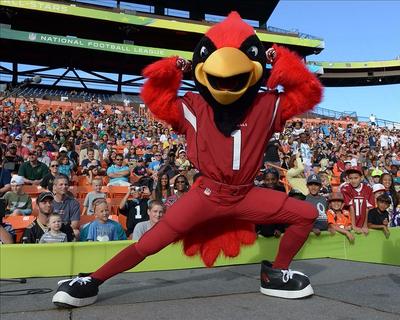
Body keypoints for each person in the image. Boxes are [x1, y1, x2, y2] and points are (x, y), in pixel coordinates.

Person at [53, 13, 322, 306]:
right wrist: (171, 70)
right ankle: (92, 280)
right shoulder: (193, 104)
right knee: (150, 243)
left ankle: (276, 273)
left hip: (244, 194)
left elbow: (307, 93)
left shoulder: (268, 104)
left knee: (306, 215)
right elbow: (157, 99)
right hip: (207, 194)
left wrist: (282, 58)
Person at [341, 166, 375, 235]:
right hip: (350, 223)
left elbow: (368, 208)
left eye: (356, 178)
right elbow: (351, 207)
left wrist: (365, 225)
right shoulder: (345, 188)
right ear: (347, 178)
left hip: (363, 220)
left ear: (361, 178)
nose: (353, 180)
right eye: (350, 178)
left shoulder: (368, 188)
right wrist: (354, 226)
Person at [52, 175, 80, 239]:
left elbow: (74, 225)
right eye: (61, 184)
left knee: (76, 232)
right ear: (54, 187)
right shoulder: (49, 203)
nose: (64, 186)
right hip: (51, 230)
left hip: (67, 230)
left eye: (66, 184)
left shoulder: (74, 203)